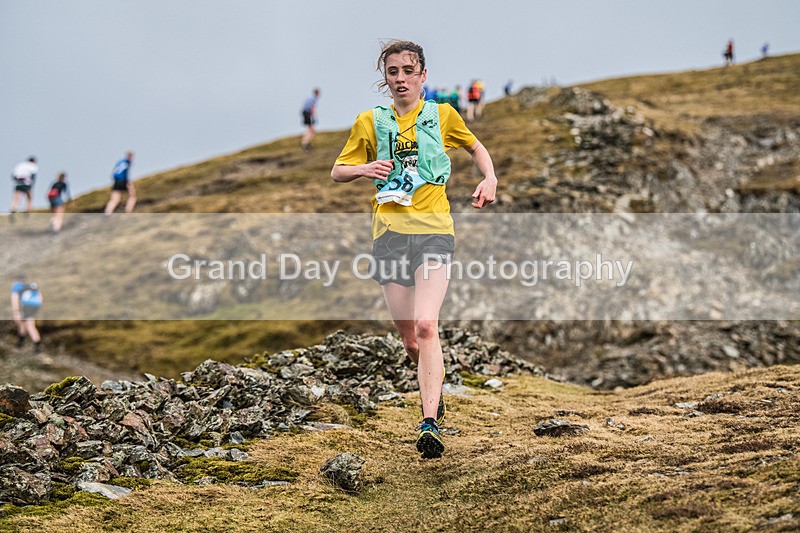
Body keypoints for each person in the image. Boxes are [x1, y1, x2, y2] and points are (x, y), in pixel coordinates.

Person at [331, 40, 498, 459]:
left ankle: (429, 421)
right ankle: (432, 390)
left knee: (427, 326)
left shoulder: (442, 115)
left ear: (423, 76)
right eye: (393, 72)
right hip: (388, 236)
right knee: (410, 340)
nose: (401, 78)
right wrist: (365, 169)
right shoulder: (369, 122)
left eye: (409, 70)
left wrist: (489, 178)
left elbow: (475, 148)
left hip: (434, 232)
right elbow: (337, 171)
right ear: (384, 78)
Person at [10, 279, 42, 353]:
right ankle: (21, 342)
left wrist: (16, 311)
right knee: (23, 323)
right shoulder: (30, 286)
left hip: (27, 307)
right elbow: (40, 297)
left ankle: (38, 346)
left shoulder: (16, 286)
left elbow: (14, 299)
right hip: (34, 306)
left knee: (30, 325)